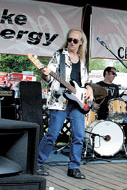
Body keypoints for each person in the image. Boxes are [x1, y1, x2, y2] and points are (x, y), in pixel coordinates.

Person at [37, 28, 93, 179]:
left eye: (75, 40)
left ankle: (74, 167)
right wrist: (45, 74)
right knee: (52, 135)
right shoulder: (59, 55)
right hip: (59, 101)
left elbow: (85, 81)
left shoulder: (82, 61)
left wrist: (89, 89)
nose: (71, 43)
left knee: (79, 136)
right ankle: (37, 164)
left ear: (81, 43)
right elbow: (49, 78)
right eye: (69, 40)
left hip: (78, 103)